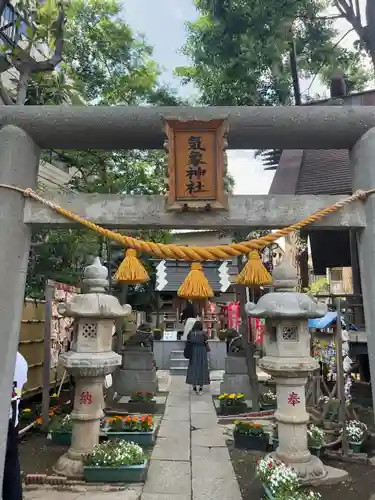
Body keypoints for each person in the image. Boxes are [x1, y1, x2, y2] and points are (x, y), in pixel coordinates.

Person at [3, 351, 28, 500]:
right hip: (11, 422)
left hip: (8, 423)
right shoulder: (19, 359)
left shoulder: (15, 359)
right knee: (10, 470)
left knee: (10, 470)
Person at [185, 320, 210, 395]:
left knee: (193, 368)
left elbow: (188, 341)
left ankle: (194, 388)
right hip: (202, 351)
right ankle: (201, 389)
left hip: (193, 351)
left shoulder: (190, 333)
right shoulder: (203, 333)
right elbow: (206, 341)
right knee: (202, 368)